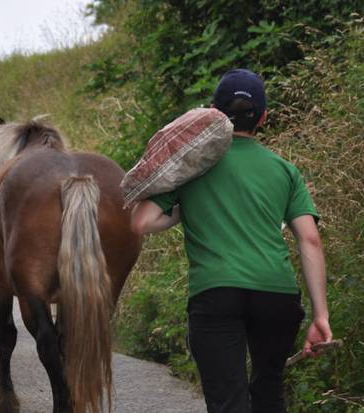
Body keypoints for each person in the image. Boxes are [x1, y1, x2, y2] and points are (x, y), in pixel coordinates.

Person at [131, 68, 332, 412]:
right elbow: (309, 240)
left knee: (229, 401)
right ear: (264, 118)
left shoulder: (193, 166)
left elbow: (142, 221)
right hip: (277, 295)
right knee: (269, 391)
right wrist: (320, 315)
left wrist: (184, 207)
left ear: (213, 112)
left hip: (216, 294)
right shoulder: (285, 171)